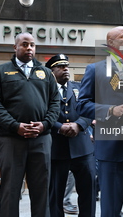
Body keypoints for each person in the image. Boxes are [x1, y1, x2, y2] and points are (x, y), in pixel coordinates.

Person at [77, 26, 123, 217]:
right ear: (111, 43)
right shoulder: (95, 69)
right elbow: (82, 105)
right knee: (111, 208)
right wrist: (110, 110)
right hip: (112, 149)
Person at [0, 32, 60, 217]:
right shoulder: (0, 71)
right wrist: (14, 125)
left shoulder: (46, 73)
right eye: (25, 44)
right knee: (10, 190)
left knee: (41, 189)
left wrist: (44, 125)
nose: (29, 48)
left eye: (32, 45)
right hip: (11, 139)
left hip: (41, 139)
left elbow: (55, 103)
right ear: (15, 47)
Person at [46, 54, 96, 217]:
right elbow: (40, 113)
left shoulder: (80, 87)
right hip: (56, 149)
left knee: (88, 192)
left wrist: (79, 124)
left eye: (66, 66)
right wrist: (59, 127)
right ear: (51, 71)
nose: (65, 69)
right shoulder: (44, 90)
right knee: (55, 195)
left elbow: (90, 109)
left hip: (82, 148)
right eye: (60, 67)